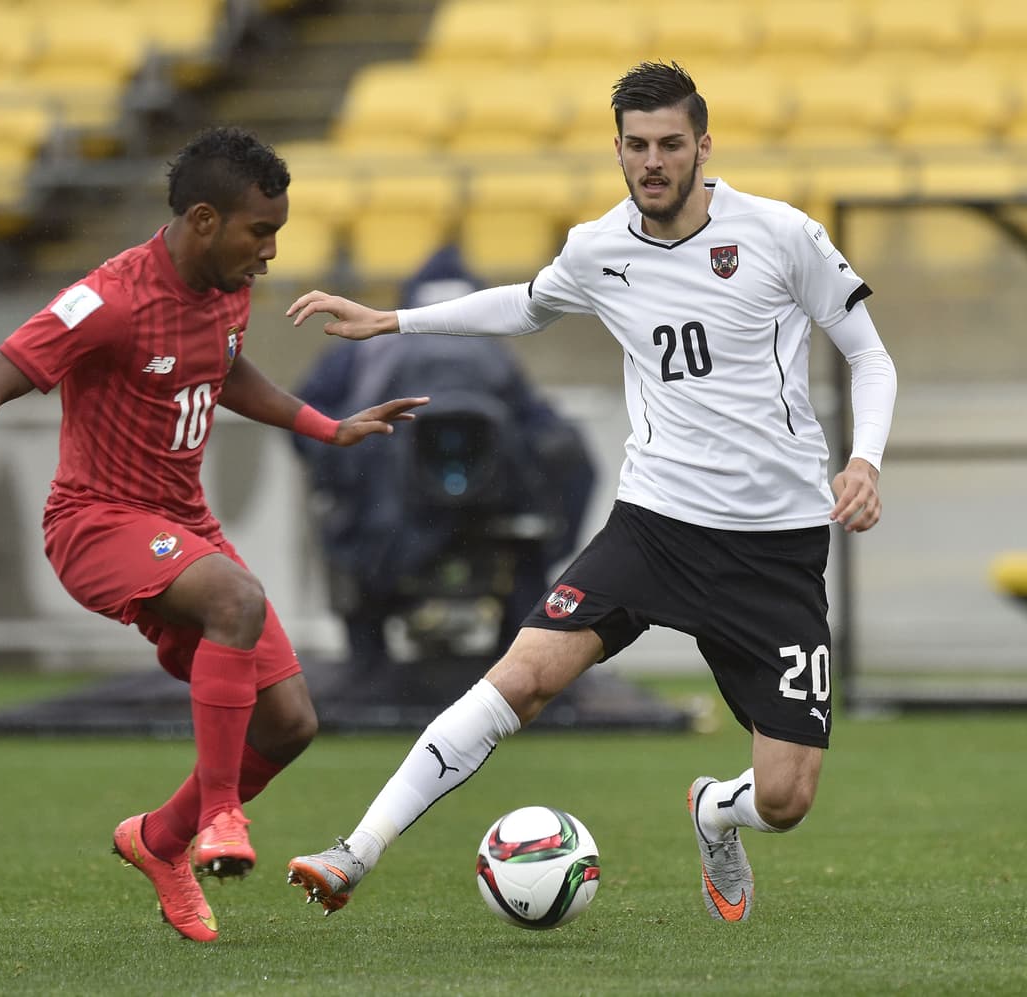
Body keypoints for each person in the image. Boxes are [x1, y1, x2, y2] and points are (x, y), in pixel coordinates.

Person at [282, 61, 897, 923]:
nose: (654, 162)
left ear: (703, 147)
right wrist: (393, 319)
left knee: (787, 798)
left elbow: (868, 353)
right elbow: (524, 305)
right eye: (638, 146)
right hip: (654, 527)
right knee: (522, 678)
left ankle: (715, 809)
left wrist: (864, 459)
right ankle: (355, 849)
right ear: (617, 151)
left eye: (671, 145)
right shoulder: (598, 248)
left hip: (775, 547)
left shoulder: (781, 234)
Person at [0, 126, 428, 943]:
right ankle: (221, 815)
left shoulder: (225, 287)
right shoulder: (108, 298)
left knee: (290, 722)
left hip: (182, 523)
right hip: (95, 522)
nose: (271, 252)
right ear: (205, 220)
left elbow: (224, 366)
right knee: (235, 597)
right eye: (262, 232)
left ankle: (158, 840)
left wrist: (328, 427)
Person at [291, 245, 596, 686]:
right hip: (488, 508)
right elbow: (544, 428)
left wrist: (336, 470)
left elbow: (307, 415)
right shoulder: (494, 350)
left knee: (341, 526)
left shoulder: (362, 351)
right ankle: (520, 667)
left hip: (386, 517)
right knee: (533, 528)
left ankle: (367, 666)